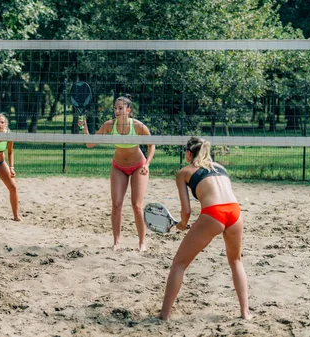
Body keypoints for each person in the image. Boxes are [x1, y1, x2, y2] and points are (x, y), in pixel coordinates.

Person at [157, 136, 251, 320]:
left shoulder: (184, 172)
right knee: (236, 261)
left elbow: (186, 211)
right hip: (235, 212)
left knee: (179, 264)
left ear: (188, 153)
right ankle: (245, 313)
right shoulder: (221, 168)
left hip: (213, 214)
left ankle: (164, 315)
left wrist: (182, 225)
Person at [81, 94, 155, 252]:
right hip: (118, 167)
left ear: (129, 110)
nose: (117, 110)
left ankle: (142, 243)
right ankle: (117, 242)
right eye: (115, 108)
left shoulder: (138, 126)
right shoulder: (109, 125)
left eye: (120, 108)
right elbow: (90, 143)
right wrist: (84, 127)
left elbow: (152, 145)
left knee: (136, 205)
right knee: (116, 204)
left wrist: (147, 164)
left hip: (138, 166)